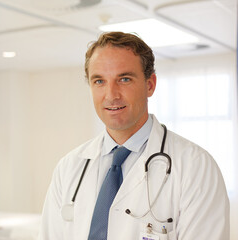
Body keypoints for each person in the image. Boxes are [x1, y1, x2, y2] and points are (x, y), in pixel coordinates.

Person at [38, 31, 230, 240]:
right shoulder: (69, 167)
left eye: (124, 79)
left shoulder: (195, 167)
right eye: (99, 81)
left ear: (150, 84)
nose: (111, 95)